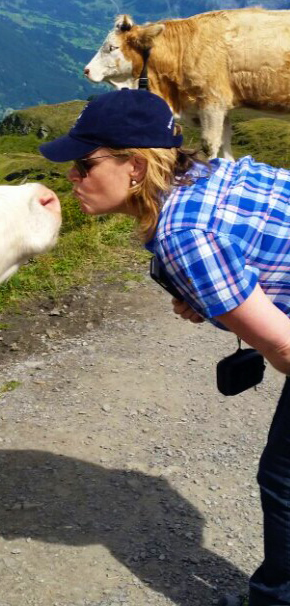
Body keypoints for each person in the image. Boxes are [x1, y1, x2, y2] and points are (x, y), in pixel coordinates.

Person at [39, 88, 290, 606]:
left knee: (284, 481)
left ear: (134, 168)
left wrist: (222, 300)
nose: (71, 178)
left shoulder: (183, 235)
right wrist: (217, 298)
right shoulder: (210, 174)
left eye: (84, 164)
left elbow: (287, 350)